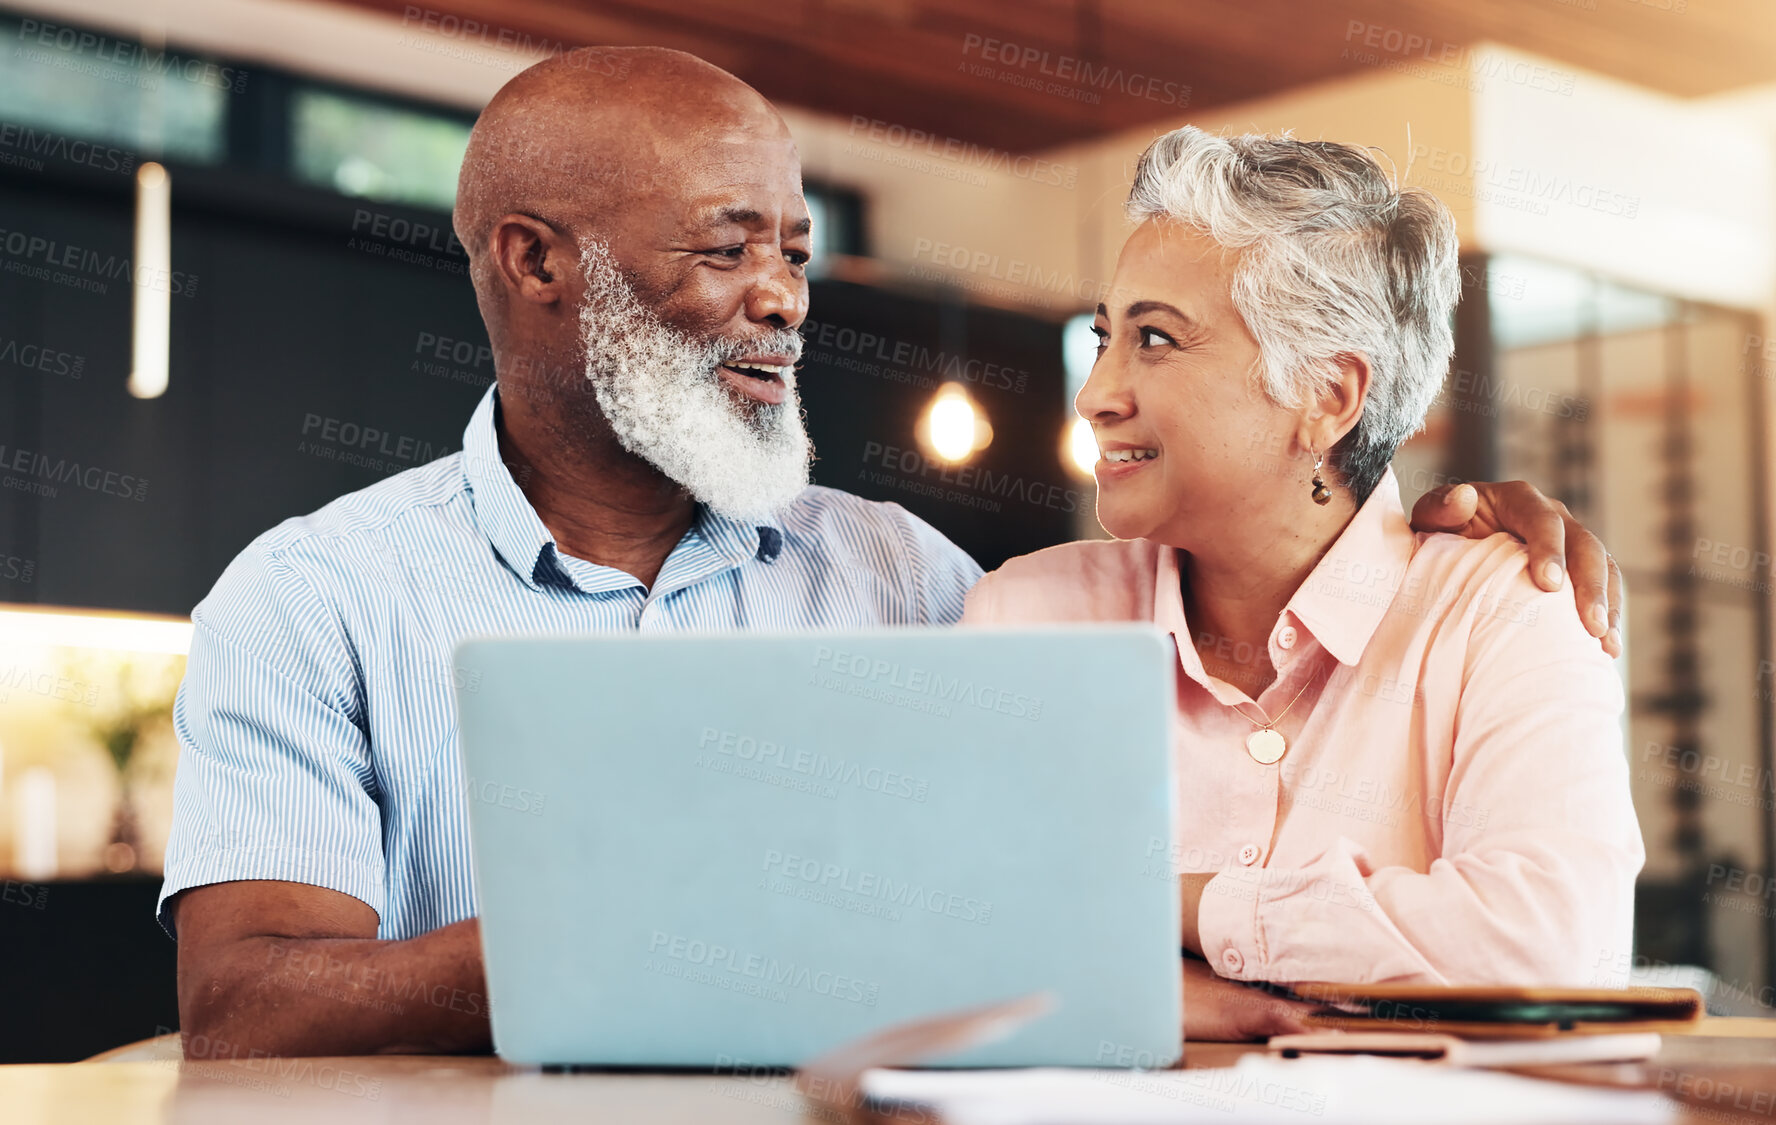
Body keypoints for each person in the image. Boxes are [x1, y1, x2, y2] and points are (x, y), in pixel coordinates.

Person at [163, 49, 1625, 1058]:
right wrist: (651, 926)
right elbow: (243, 1008)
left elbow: (1004, 933)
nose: (782, 300)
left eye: (795, 253)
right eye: (727, 248)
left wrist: (1428, 509)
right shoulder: (312, 600)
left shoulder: (915, 583)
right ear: (536, 262)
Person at [960, 127, 1644, 1041]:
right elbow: (941, 933)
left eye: (1155, 339)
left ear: (1327, 393)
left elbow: (1549, 947)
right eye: (1103, 337)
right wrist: (1167, 996)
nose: (1095, 395)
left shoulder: (1504, 612)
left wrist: (1186, 912)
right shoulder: (1028, 614)